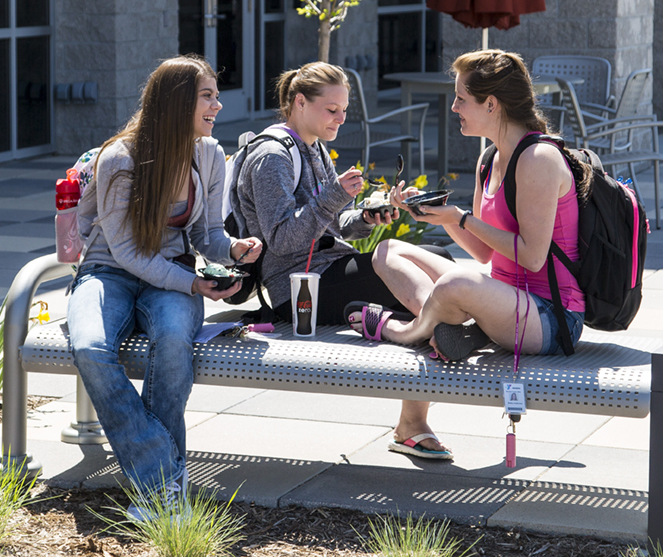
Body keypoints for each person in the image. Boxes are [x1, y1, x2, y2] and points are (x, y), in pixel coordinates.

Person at [67, 56, 262, 515]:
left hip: (172, 272)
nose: (218, 104)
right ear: (176, 102)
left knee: (173, 341)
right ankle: (164, 477)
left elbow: (207, 235)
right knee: (92, 348)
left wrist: (233, 250)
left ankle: (159, 492)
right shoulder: (119, 157)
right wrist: (194, 285)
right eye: (207, 95)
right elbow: (127, 253)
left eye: (216, 94)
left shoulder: (209, 154)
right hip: (107, 271)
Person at [230, 61, 455, 460]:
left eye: (345, 109)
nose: (341, 118)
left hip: (327, 270)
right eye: (331, 109)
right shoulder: (272, 157)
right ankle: (414, 414)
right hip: (298, 290)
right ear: (300, 102)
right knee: (426, 288)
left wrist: (366, 218)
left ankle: (410, 343)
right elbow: (281, 241)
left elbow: (332, 226)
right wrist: (333, 195)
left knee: (436, 258)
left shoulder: (312, 147)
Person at [364, 49, 588, 360]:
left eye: (461, 99)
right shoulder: (489, 159)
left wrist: (461, 218)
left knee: (457, 281)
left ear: (491, 104)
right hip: (501, 302)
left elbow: (533, 258)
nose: (454, 107)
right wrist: (440, 217)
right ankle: (452, 327)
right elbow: (483, 253)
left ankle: (409, 331)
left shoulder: (539, 159)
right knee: (388, 251)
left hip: (550, 316)